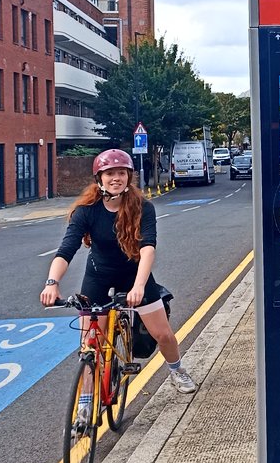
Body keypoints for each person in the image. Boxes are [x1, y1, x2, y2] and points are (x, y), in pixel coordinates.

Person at [41, 149, 197, 412]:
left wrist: (138, 286)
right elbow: (66, 249)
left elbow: (147, 247)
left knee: (162, 334)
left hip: (134, 275)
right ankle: (85, 404)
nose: (116, 178)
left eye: (121, 173)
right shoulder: (86, 211)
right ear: (99, 178)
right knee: (90, 345)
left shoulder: (142, 208)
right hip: (98, 277)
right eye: (110, 173)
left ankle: (177, 370)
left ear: (129, 177)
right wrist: (51, 282)